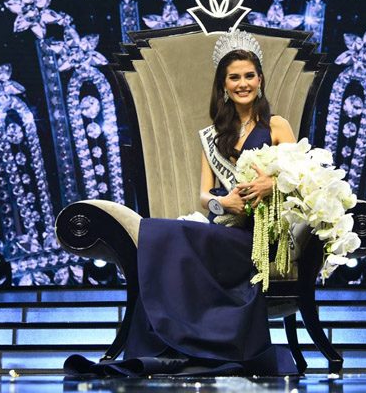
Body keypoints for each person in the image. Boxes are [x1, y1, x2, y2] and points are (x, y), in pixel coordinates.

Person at [64, 30, 298, 377]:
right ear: (224, 85)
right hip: (224, 225)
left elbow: (298, 178)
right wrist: (224, 203)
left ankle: (178, 342)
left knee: (172, 234)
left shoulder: (277, 125)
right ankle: (165, 344)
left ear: (260, 80)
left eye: (249, 76)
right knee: (167, 232)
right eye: (234, 77)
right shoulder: (214, 134)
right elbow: (204, 195)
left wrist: (270, 184)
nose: (243, 84)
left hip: (258, 235)